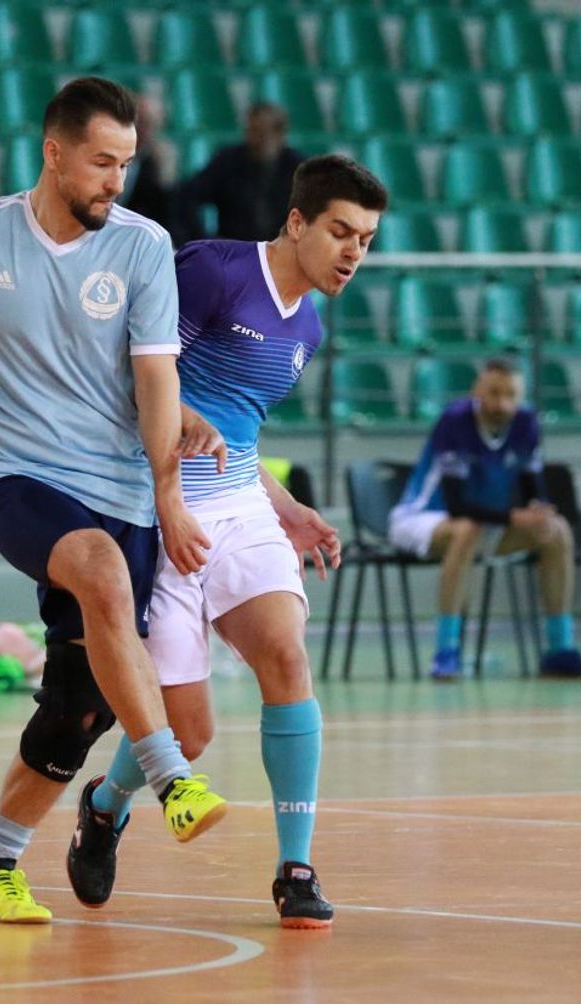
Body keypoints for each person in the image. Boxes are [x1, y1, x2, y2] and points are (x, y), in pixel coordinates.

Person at [0, 77, 229, 925]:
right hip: (13, 473)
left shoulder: (144, 246)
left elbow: (156, 379)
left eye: (127, 164)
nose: (117, 180)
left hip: (121, 487)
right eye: (103, 162)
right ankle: (171, 778)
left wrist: (169, 497)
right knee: (100, 569)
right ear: (54, 153)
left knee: (80, 707)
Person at [68, 155, 386, 930]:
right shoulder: (212, 272)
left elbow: (237, 433)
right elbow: (130, 374)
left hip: (240, 507)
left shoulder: (308, 325)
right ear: (297, 222)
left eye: (367, 240)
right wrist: (174, 471)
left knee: (286, 657)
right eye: (341, 231)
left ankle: (295, 868)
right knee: (190, 734)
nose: (353, 251)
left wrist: (287, 507)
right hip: (154, 505)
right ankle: (105, 805)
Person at [388, 358, 581, 681]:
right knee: (466, 530)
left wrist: (540, 513)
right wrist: (514, 517)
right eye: (494, 393)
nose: (502, 403)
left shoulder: (526, 423)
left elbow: (533, 487)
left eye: (510, 395)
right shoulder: (455, 421)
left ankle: (560, 648)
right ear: (477, 390)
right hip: (421, 518)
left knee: (557, 531)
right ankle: (446, 651)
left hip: (484, 524)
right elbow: (457, 505)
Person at [178, 101, 303, 242]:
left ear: (281, 134)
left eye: (265, 132)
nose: (258, 139)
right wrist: (202, 239)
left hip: (281, 249)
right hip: (233, 248)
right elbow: (188, 195)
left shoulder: (298, 169)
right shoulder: (228, 161)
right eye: (253, 131)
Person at [120, 92, 179, 243]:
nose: (141, 130)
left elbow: (165, 216)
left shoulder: (154, 162)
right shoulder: (105, 157)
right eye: (136, 123)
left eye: (147, 124)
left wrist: (165, 179)